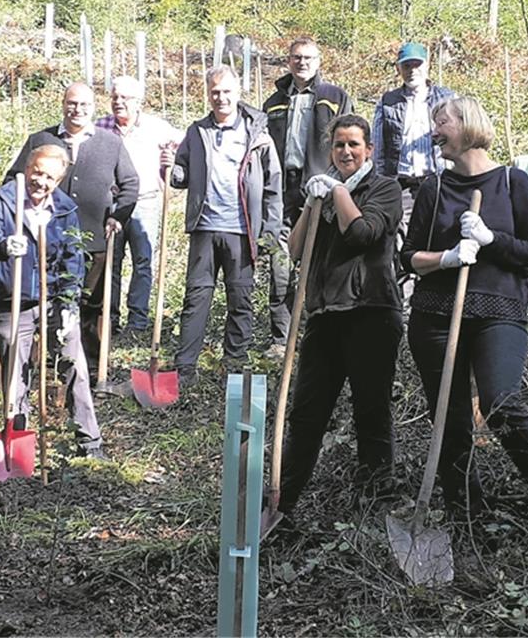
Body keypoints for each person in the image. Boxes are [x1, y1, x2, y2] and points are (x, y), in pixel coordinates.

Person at [401, 96, 528, 528]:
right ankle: (467, 518)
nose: (434, 131)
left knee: (500, 400)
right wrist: (446, 257)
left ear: (468, 125)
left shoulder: (512, 182)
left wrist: (490, 239)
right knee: (450, 417)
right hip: (435, 317)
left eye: (441, 122)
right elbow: (409, 259)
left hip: (500, 311)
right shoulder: (434, 188)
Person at [275, 114, 403, 521]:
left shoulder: (384, 188)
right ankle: (283, 502)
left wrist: (336, 193)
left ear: (369, 149)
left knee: (371, 410)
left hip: (370, 313)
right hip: (324, 315)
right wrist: (313, 204)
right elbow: (295, 251)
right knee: (306, 413)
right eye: (338, 145)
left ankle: (375, 504)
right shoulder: (320, 193)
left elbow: (362, 234)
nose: (345, 152)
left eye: (353, 144)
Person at [0, 145, 106, 459]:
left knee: (74, 364)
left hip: (54, 301)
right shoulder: (5, 200)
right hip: (14, 301)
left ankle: (90, 443)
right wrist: (4, 244)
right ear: (27, 167)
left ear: (59, 180)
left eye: (50, 177)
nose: (41, 181)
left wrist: (69, 304)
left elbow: (73, 258)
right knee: (15, 374)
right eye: (37, 172)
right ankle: (17, 444)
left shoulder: (64, 209)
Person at [4, 82, 139, 368]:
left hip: (95, 240)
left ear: (93, 108)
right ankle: (43, 363)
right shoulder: (40, 140)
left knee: (91, 303)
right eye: (72, 103)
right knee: (45, 299)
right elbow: (13, 181)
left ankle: (88, 365)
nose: (77, 110)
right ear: (63, 103)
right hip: (46, 239)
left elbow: (130, 183)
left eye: (84, 105)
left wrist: (117, 218)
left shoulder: (110, 142)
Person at [171, 66, 283, 384]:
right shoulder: (196, 131)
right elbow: (181, 169)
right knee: (196, 298)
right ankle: (185, 369)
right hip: (205, 227)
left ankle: (234, 364)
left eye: (226, 91)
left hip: (241, 229)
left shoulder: (257, 134)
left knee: (241, 298)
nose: (221, 97)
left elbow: (273, 185)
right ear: (208, 94)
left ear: (238, 92)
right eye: (215, 92)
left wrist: (270, 232)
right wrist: (175, 172)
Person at [261, 36, 353, 356]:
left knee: (320, 260)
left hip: (320, 189)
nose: (302, 62)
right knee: (280, 260)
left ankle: (318, 335)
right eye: (297, 57)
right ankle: (281, 339)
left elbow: (349, 144)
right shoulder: (273, 102)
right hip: (280, 190)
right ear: (288, 60)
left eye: (309, 58)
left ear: (319, 61)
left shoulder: (334, 97)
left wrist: (334, 182)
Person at [96, 75, 182, 335]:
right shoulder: (101, 126)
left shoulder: (157, 128)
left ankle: (137, 321)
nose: (118, 102)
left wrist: (172, 157)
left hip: (145, 202)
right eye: (114, 97)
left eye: (124, 98)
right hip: (111, 205)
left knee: (143, 262)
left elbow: (186, 144)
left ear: (138, 102)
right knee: (111, 261)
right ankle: (109, 319)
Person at [370, 41, 456, 297]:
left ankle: (436, 291)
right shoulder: (388, 102)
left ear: (426, 65)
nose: (412, 70)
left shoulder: (447, 98)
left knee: (440, 231)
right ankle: (405, 297)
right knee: (402, 239)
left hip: (437, 178)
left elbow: (459, 138)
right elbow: (379, 146)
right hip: (402, 182)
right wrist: (381, 183)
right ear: (399, 69)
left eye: (416, 65)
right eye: (406, 66)